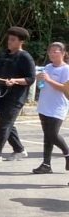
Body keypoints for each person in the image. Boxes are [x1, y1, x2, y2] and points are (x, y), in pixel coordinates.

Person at [0, 27, 36, 164]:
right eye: (9, 39)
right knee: (7, 123)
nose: (9, 42)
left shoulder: (25, 57)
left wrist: (15, 81)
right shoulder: (4, 55)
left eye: (13, 40)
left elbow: (30, 78)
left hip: (16, 97)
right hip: (2, 93)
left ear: (21, 42)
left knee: (3, 124)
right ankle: (19, 150)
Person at [32, 42, 69, 174]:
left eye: (55, 51)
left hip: (58, 107)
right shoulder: (47, 66)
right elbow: (42, 86)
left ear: (63, 53)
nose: (52, 54)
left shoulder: (66, 69)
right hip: (44, 106)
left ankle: (67, 153)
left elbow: (64, 88)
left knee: (52, 134)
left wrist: (48, 79)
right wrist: (40, 80)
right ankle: (46, 164)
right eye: (50, 51)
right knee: (47, 137)